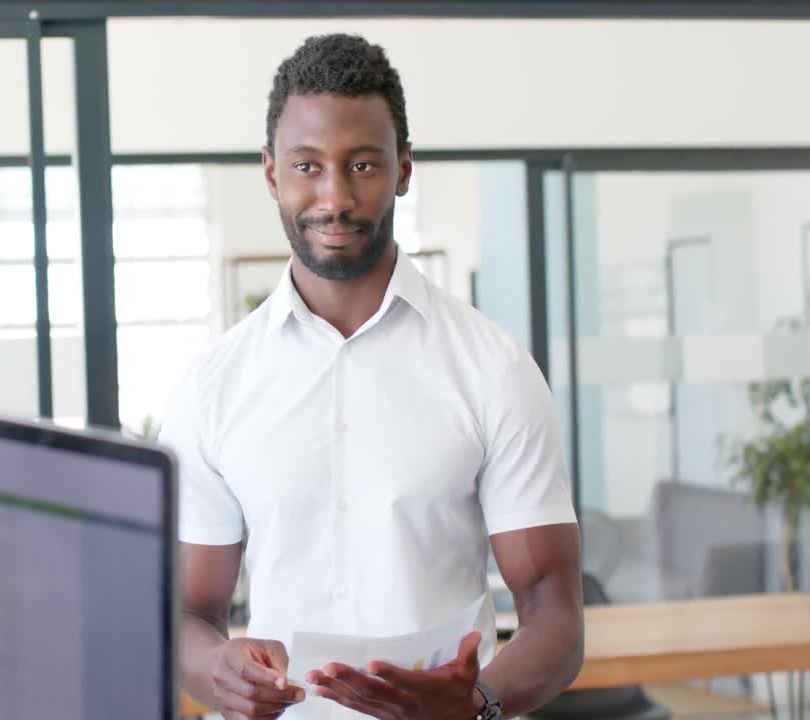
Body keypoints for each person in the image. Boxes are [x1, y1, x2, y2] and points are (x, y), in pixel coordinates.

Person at [164, 34, 583, 720]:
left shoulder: (493, 368)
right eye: (307, 166)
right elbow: (188, 613)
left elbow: (555, 616)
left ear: (403, 169)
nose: (335, 197)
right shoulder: (214, 385)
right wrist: (218, 671)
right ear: (272, 174)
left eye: (362, 164)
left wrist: (481, 702)